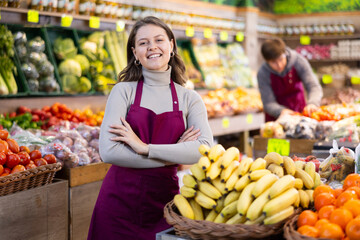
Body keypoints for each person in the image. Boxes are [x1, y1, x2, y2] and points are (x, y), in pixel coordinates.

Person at [87, 16, 213, 240]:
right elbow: (109, 152)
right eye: (143, 43)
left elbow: (203, 148)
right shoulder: (123, 91)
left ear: (171, 45)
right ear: (135, 52)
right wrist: (171, 155)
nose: (152, 47)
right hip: (117, 206)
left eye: (159, 40)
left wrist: (145, 148)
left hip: (164, 206)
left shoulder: (189, 98)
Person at [257, 38, 323, 122]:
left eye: (281, 59)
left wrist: (313, 103)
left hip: (300, 113)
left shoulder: (298, 61)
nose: (279, 65)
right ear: (267, 61)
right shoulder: (263, 73)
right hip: (276, 119)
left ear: (284, 53)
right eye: (274, 62)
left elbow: (313, 86)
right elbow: (268, 103)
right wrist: (281, 111)